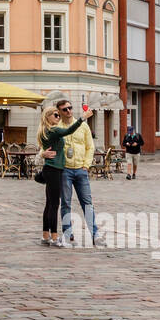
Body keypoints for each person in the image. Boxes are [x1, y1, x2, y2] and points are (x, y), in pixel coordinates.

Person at [35, 105, 94, 247]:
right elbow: (69, 130)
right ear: (47, 117)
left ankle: (45, 236)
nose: (58, 117)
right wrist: (83, 118)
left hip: (51, 169)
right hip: (55, 170)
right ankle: (55, 238)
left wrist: (43, 154)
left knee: (49, 204)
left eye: (58, 115)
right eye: (55, 115)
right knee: (54, 204)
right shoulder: (54, 130)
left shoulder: (45, 131)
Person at [58, 99, 100, 246]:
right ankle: (68, 233)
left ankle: (95, 234)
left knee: (87, 203)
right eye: (65, 109)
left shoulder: (83, 126)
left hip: (81, 170)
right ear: (59, 112)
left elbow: (90, 147)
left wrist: (86, 165)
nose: (68, 111)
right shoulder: (58, 128)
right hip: (65, 171)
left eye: (70, 108)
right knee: (66, 204)